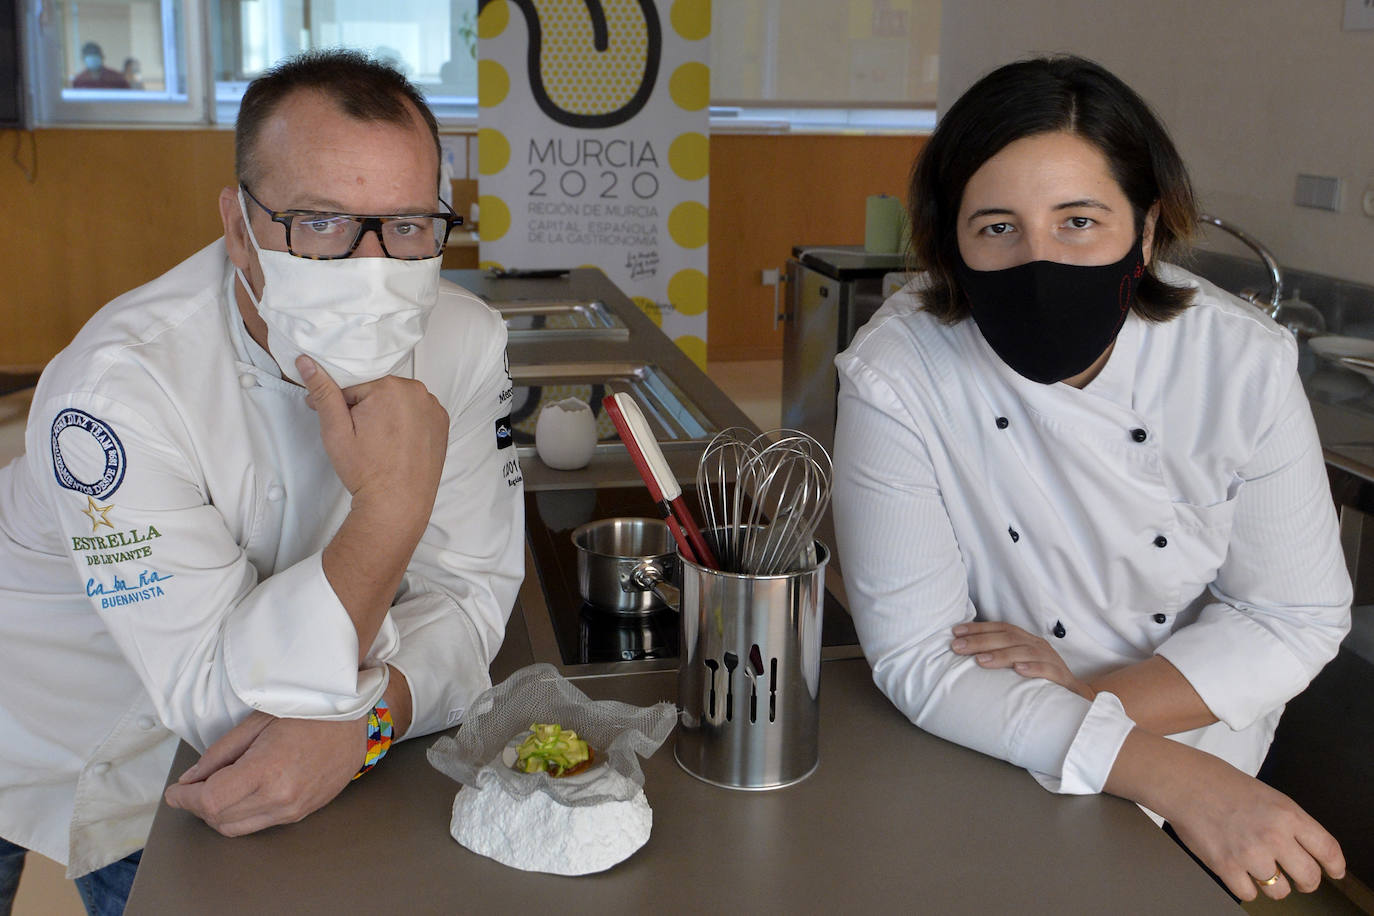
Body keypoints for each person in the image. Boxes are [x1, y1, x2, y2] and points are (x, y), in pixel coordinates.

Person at [0, 49, 524, 913]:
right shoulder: (116, 397)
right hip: (79, 711)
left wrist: (365, 724)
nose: (373, 266)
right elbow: (220, 705)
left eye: (407, 225)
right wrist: (392, 511)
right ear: (239, 228)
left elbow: (469, 602)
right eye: (319, 221)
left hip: (292, 749)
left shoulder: (463, 342)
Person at [832, 55, 1350, 904]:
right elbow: (920, 655)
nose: (1040, 259)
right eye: (996, 227)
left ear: (1145, 232)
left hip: (1185, 731)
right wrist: (1170, 778)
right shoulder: (900, 373)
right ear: (950, 243)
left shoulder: (1238, 361)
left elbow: (1296, 614)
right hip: (991, 743)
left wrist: (1088, 707)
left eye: (1079, 220)